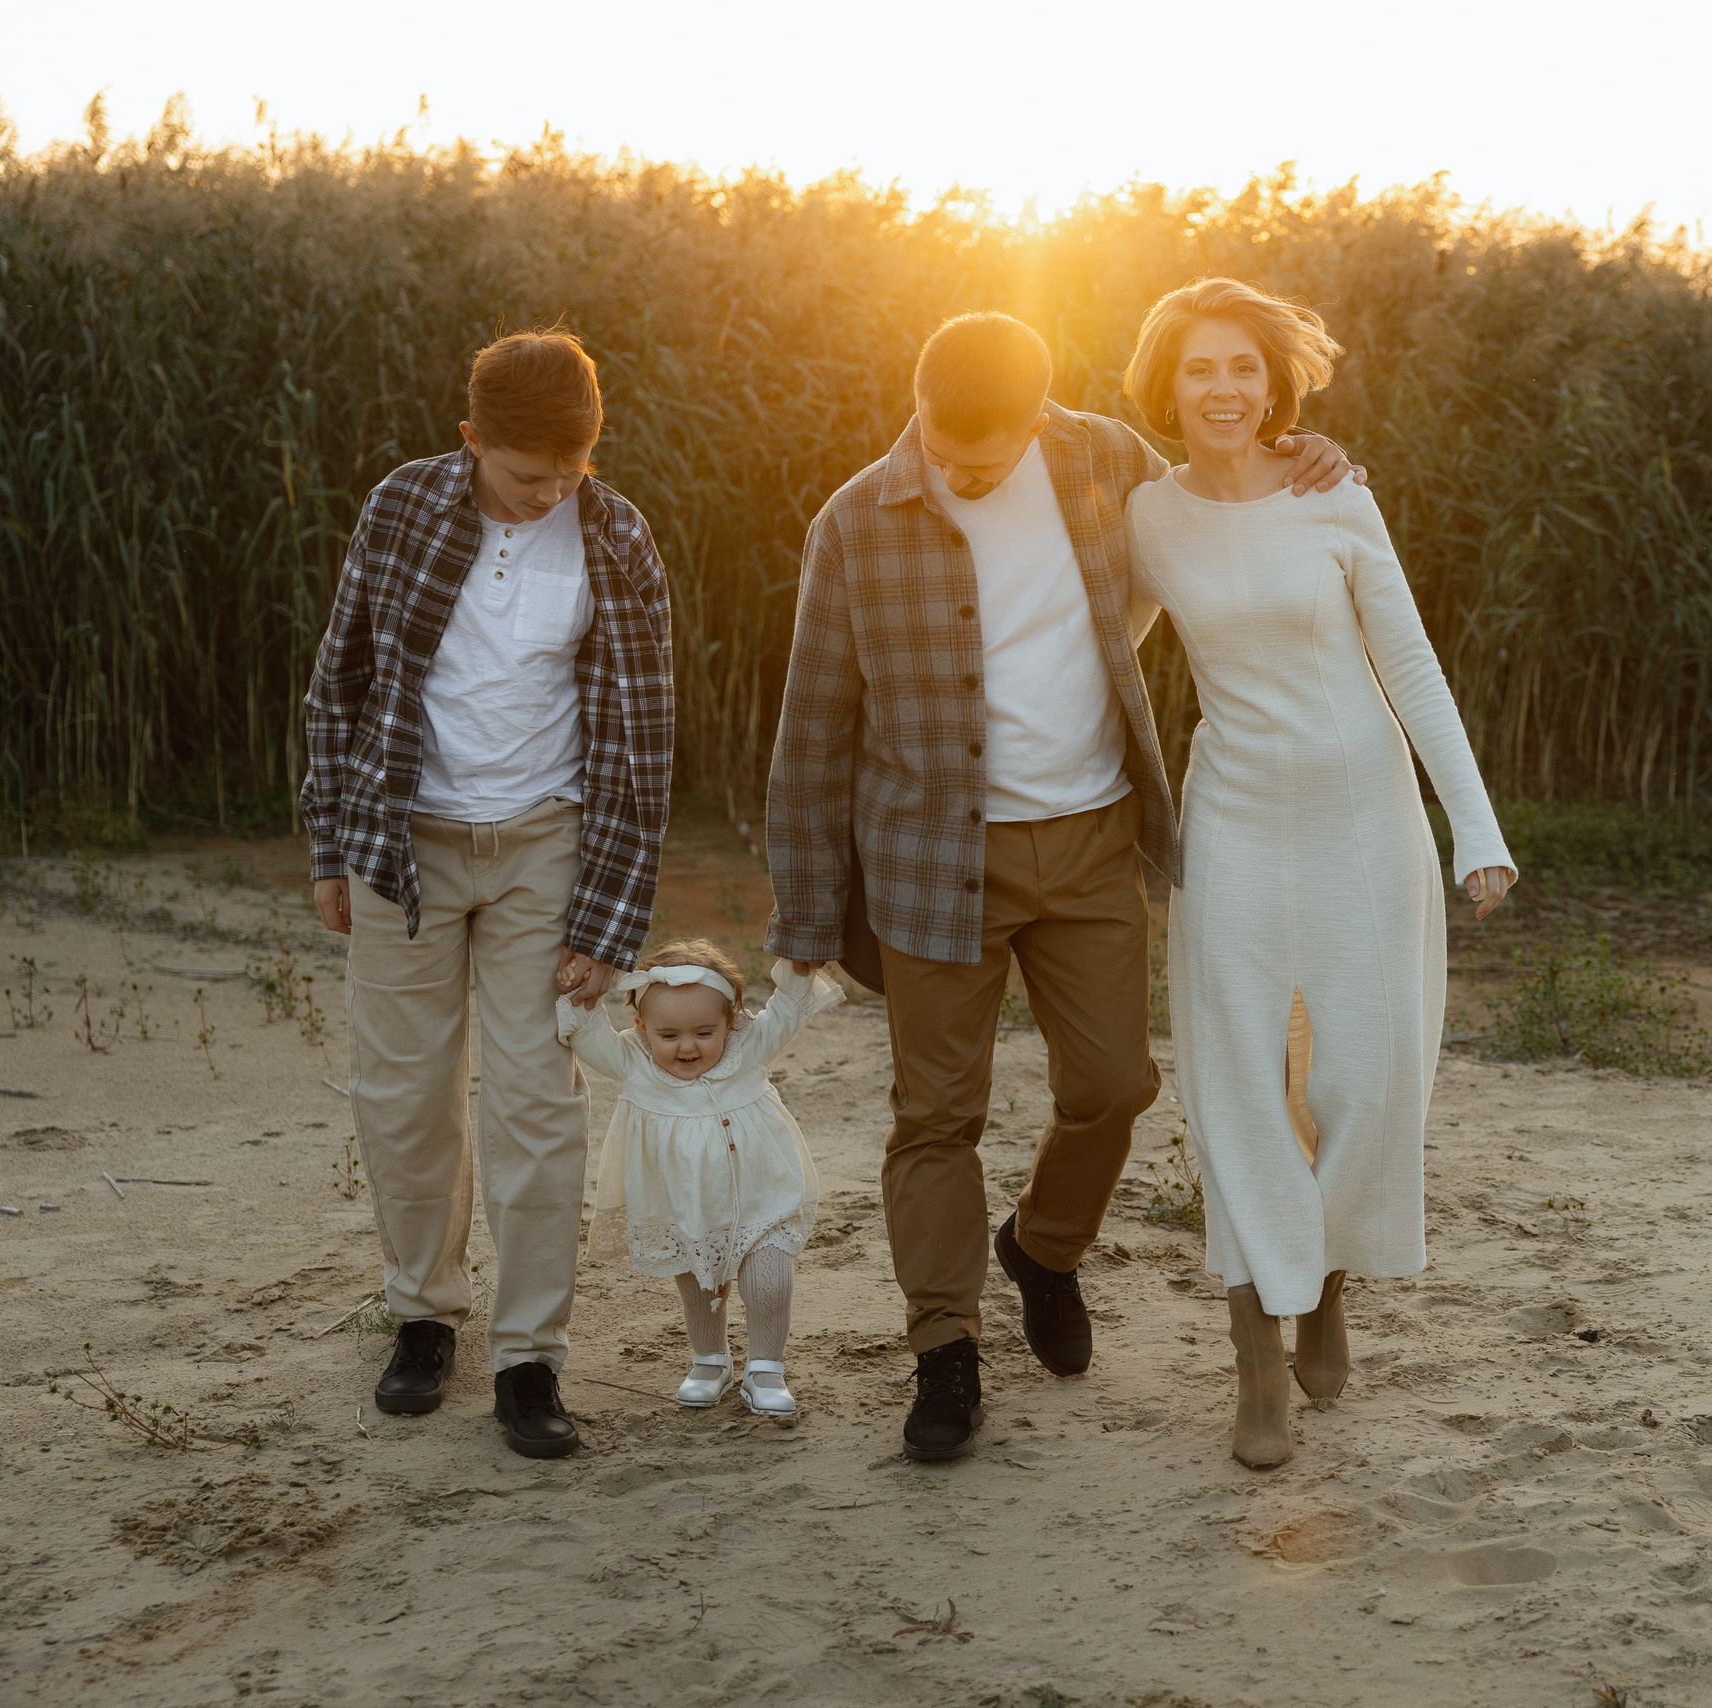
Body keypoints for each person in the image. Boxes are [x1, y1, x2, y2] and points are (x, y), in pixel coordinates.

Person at [763, 312, 1358, 1461]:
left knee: (1115, 1086)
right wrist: (801, 906)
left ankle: (1040, 1246)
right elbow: (812, 728)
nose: (958, 471)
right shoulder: (855, 521)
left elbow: (1222, 496)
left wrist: (1306, 454)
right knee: (936, 1116)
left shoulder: (1106, 461)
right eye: (941, 445)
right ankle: (945, 1353)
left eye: (984, 458)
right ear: (918, 404)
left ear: (1037, 419)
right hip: (934, 858)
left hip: (1088, 840)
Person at [1121, 278, 1515, 1470]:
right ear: (1166, 386)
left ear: (1274, 382)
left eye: (1243, 367)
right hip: (1232, 817)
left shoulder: (1333, 492)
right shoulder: (1146, 514)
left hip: (1361, 815)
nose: (1224, 389)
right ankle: (1254, 1354)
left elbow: (1410, 662)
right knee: (1237, 1077)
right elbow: (1105, 649)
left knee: (1363, 1069)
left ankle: (1325, 1274)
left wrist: (1476, 827)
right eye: (1199, 369)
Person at [301, 329, 674, 1459]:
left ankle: (528, 1354)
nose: (545, 495)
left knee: (534, 1104)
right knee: (403, 1091)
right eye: (522, 476)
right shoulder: (403, 507)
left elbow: (642, 738)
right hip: (403, 842)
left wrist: (609, 921)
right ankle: (423, 1313)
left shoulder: (615, 537)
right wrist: (329, 845)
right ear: (470, 443)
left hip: (543, 849)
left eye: (567, 474)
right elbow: (340, 677)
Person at [556, 940, 841, 1415]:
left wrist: (797, 967)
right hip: (685, 1204)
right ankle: (710, 1360)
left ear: (731, 1022)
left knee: (768, 1282)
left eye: (705, 1032)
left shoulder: (747, 1048)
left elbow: (788, 1009)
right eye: (669, 1035)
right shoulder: (633, 1061)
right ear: (643, 1029)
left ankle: (766, 1366)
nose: (687, 1047)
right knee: (699, 1282)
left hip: (761, 1196)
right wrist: (576, 985)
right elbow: (586, 1028)